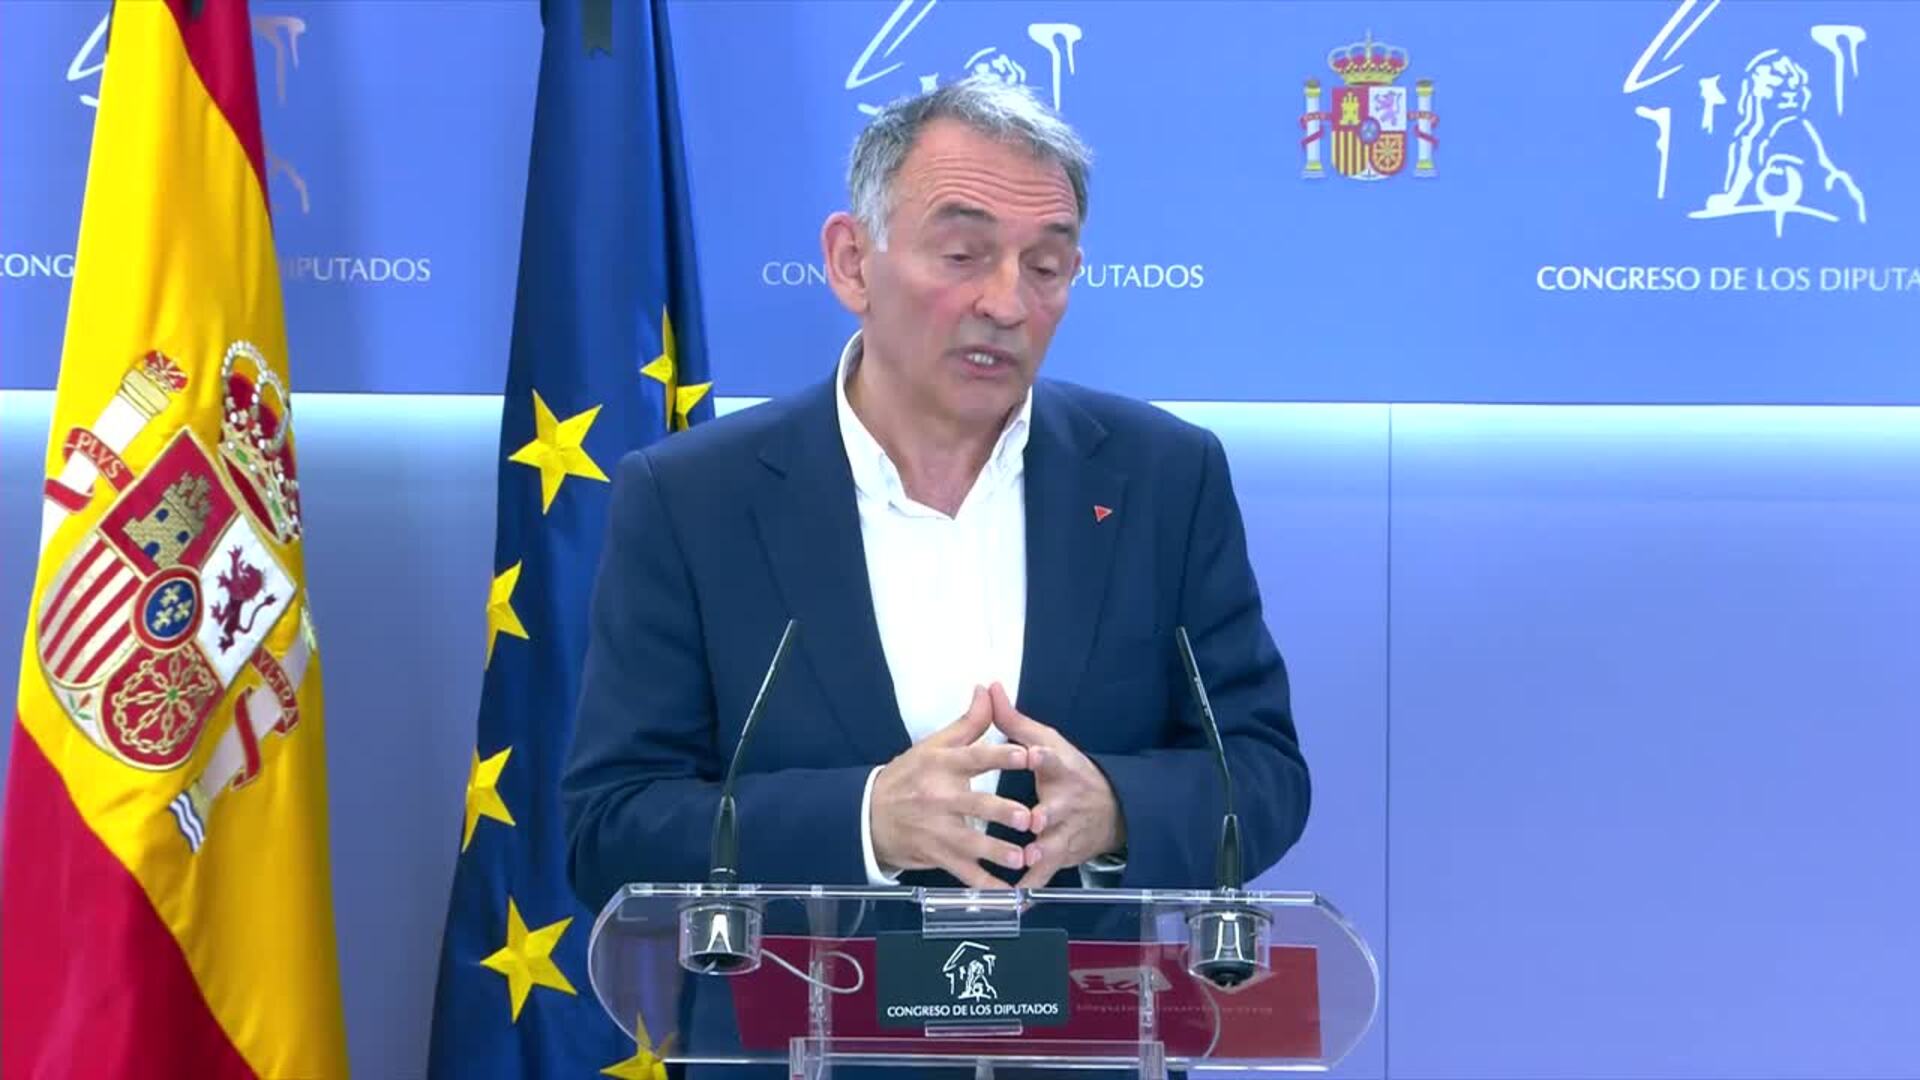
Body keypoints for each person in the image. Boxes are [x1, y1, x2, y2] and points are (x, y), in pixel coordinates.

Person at [562, 77, 1307, 913]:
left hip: (1083, 997)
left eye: (1045, 267)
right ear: (852, 263)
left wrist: (1116, 810)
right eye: (962, 256)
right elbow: (610, 830)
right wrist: (867, 821)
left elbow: (1264, 774)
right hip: (809, 996)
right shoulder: (693, 498)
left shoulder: (1163, 478)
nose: (1006, 303)